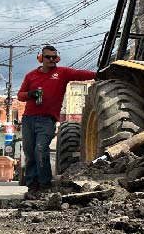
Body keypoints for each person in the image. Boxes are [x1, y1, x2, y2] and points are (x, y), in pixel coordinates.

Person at [15, 46, 96, 197]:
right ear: (41, 58)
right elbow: (20, 95)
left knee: (40, 150)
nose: (51, 60)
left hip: (47, 120)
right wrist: (30, 94)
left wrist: (99, 75)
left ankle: (45, 184)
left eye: (54, 57)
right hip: (29, 119)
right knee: (29, 152)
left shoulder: (62, 73)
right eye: (48, 57)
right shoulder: (31, 76)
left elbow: (80, 74)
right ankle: (33, 186)